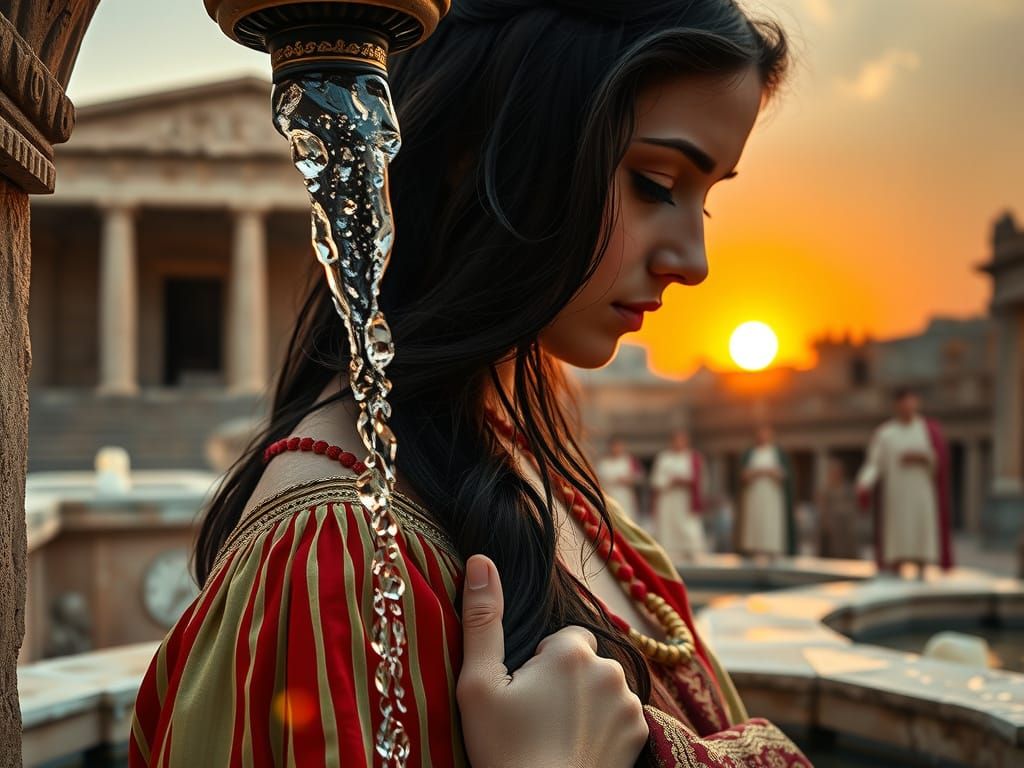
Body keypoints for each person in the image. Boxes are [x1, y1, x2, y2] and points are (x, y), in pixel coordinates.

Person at [129, 2, 812, 766]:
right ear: (481, 146)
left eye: (705, 198)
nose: (693, 261)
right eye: (654, 183)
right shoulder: (339, 558)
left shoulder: (523, 463)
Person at [856, 389, 953, 579]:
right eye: (904, 403)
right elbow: (874, 463)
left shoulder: (927, 430)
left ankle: (922, 566)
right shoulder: (885, 433)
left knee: (921, 528)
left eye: (912, 402)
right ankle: (896, 565)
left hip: (921, 492)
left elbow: (940, 461)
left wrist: (924, 457)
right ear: (897, 406)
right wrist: (864, 483)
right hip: (897, 494)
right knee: (897, 531)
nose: (908, 407)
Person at [735, 425, 796, 562]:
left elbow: (785, 475)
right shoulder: (750, 453)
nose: (763, 436)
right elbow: (742, 475)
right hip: (754, 495)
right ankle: (754, 550)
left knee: (771, 521)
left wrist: (772, 473)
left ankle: (773, 550)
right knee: (755, 520)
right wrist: (757, 472)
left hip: (773, 496)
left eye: (766, 433)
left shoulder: (778, 453)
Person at [651, 430, 707, 562]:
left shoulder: (693, 457)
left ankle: (691, 551)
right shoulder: (664, 458)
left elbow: (700, 478)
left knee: (689, 525)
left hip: (686, 499)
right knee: (669, 526)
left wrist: (686, 481)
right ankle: (669, 554)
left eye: (682, 440)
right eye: (676, 440)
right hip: (668, 498)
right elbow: (656, 480)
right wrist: (670, 481)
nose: (679, 443)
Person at [815, 457, 861, 560]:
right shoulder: (826, 489)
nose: (835, 474)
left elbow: (853, 504)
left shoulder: (847, 487)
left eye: (837, 472)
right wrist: (825, 520)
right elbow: (822, 505)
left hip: (845, 523)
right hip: (832, 522)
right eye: (833, 472)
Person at [597, 436, 645, 521]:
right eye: (614, 446)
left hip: (626, 498)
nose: (617, 449)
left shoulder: (629, 460)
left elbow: (639, 477)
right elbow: (599, 481)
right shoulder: (603, 463)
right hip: (609, 497)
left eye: (619, 446)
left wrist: (629, 480)